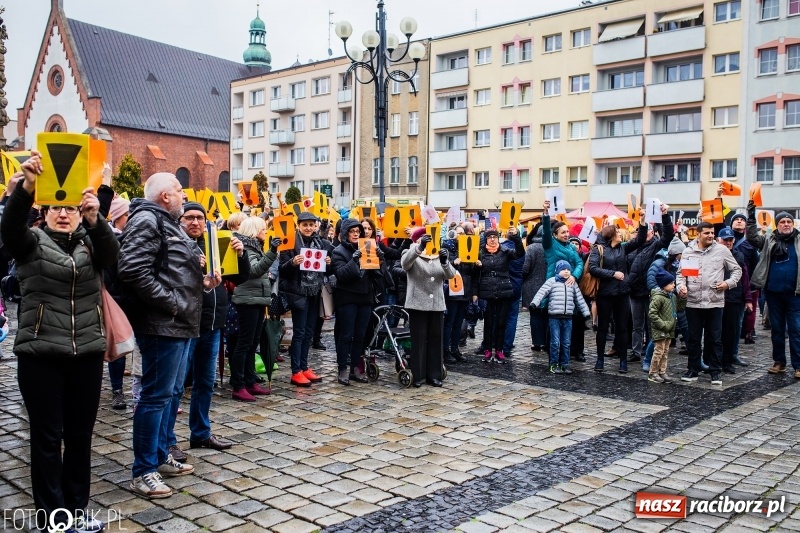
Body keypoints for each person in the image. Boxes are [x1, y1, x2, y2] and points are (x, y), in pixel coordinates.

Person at [1, 155, 119, 532]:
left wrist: (96, 218)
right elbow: (9, 230)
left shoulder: (91, 245)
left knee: (80, 438)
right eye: (56, 208)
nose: (63, 214)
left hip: (85, 354)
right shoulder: (30, 243)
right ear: (45, 212)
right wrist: (26, 189)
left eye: (69, 208)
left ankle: (77, 508)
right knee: (47, 439)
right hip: (40, 356)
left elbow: (112, 258)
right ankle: (53, 516)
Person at [119, 173, 221, 498]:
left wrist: (201, 285)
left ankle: (160, 455)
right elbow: (133, 270)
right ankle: (143, 470)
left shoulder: (165, 222)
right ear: (165, 195)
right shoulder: (148, 219)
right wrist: (174, 302)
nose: (182, 194)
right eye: (179, 190)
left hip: (178, 323)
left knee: (168, 395)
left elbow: (171, 270)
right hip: (163, 325)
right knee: (154, 397)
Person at [176, 202, 249, 452]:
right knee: (176, 387)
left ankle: (200, 432)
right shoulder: (177, 246)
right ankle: (168, 442)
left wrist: (241, 255)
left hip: (213, 323)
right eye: (189, 218)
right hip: (187, 325)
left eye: (199, 217)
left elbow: (240, 277)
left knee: (205, 383)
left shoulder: (213, 243)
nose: (195, 222)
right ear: (180, 220)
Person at [677, 222, 741, 385]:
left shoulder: (722, 250)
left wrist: (728, 283)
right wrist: (681, 287)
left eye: (712, 233)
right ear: (698, 234)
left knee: (714, 338)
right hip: (693, 302)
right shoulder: (688, 252)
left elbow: (737, 270)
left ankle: (715, 371)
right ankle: (693, 369)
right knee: (693, 338)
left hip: (715, 302)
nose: (711, 235)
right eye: (707, 233)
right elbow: (681, 274)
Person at [746, 205, 800, 378]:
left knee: (796, 329)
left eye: (788, 221)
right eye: (782, 222)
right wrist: (751, 217)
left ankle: (798, 365)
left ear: (793, 224)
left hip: (795, 295)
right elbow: (753, 238)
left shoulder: (799, 240)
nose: (786, 224)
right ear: (777, 225)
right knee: (777, 329)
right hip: (774, 293)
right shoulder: (770, 240)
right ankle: (779, 362)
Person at [230, 217, 280, 400]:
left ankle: (250, 381)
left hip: (256, 299)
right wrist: (272, 252)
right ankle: (238, 384)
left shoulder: (253, 248)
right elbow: (253, 271)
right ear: (254, 230)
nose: (266, 232)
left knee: (251, 344)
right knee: (244, 344)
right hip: (247, 301)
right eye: (263, 229)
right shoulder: (246, 248)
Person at [590, 214, 648, 373]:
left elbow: (639, 240)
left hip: (622, 293)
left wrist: (642, 222)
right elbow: (593, 268)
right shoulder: (598, 249)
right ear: (611, 235)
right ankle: (599, 359)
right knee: (602, 328)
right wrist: (612, 274)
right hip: (605, 294)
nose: (620, 233)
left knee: (622, 328)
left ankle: (623, 361)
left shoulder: (623, 247)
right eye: (617, 231)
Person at [331, 218, 384, 385]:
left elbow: (377, 274)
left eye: (358, 232)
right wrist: (354, 260)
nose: (356, 234)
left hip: (365, 296)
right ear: (346, 234)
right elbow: (341, 275)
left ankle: (355, 367)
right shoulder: (338, 251)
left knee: (360, 335)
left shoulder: (367, 246)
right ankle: (343, 369)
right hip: (347, 297)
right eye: (352, 232)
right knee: (346, 334)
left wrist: (380, 261)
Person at [279, 211, 330, 387]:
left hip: (314, 292)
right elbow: (282, 269)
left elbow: (325, 269)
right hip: (298, 292)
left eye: (311, 224)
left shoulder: (320, 242)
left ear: (315, 225)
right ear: (298, 226)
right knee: (299, 332)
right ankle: (296, 371)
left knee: (309, 331)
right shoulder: (290, 242)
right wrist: (293, 262)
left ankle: (304, 366)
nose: (308, 228)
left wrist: (328, 262)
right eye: (305, 225)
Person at [402, 228, 456, 386]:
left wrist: (445, 262)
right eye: (425, 238)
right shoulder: (411, 251)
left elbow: (451, 275)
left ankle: (434, 374)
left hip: (436, 304)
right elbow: (405, 264)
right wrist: (419, 248)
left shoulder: (439, 254)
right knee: (418, 340)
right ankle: (418, 375)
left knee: (435, 339)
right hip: (417, 303)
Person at [531, 260, 591, 374]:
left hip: (568, 317)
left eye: (568, 269)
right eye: (564, 269)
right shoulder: (552, 281)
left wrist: (586, 313)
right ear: (558, 271)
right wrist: (534, 303)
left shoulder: (572, 283)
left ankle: (565, 364)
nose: (566, 271)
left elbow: (579, 299)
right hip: (554, 316)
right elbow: (541, 293)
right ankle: (553, 364)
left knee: (566, 342)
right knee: (555, 342)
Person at [474, 227, 524, 363]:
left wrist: (516, 237)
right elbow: (474, 273)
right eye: (489, 237)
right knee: (489, 322)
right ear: (486, 239)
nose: (492, 240)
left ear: (497, 239)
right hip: (487, 289)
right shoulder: (481, 253)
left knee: (502, 322)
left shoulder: (505, 251)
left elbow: (520, 253)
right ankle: (488, 349)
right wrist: (477, 265)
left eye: (494, 237)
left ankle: (500, 350)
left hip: (504, 289)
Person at [717, 227, 753, 375]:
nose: (728, 242)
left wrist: (748, 298)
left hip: (734, 298)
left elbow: (745, 278)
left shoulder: (739, 256)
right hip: (717, 297)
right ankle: (712, 360)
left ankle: (727, 361)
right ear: (719, 240)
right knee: (715, 332)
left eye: (730, 240)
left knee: (731, 332)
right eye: (725, 240)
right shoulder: (713, 254)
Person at [107, 195, 131, 410]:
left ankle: (124, 390)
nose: (131, 218)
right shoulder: (110, 240)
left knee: (124, 347)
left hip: (128, 299)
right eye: (127, 215)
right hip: (113, 299)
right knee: (115, 345)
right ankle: (115, 390)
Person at [647, 269, 683, 383]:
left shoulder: (672, 296)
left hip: (669, 328)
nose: (674, 285)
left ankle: (662, 371)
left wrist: (683, 297)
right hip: (661, 329)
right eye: (671, 283)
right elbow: (652, 313)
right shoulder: (658, 297)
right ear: (664, 285)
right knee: (658, 351)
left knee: (665, 351)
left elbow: (679, 308)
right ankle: (653, 373)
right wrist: (663, 325)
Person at [522, 224, 548, 353]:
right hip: (549, 286)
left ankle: (537, 342)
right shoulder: (551, 248)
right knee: (547, 315)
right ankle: (546, 341)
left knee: (535, 315)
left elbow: (525, 268)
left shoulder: (531, 248)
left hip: (532, 286)